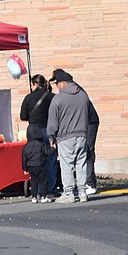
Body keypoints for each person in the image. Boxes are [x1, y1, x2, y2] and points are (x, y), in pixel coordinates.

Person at [45, 69, 92, 203]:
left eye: (57, 84)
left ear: (63, 83)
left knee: (67, 165)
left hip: (65, 136)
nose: (57, 87)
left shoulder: (58, 99)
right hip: (82, 135)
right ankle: (83, 192)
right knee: (81, 164)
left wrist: (51, 137)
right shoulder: (83, 96)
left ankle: (69, 193)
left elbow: (53, 122)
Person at [20, 74, 57, 197]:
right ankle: (51, 189)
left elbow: (23, 116)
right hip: (49, 130)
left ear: (34, 84)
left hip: (33, 131)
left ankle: (40, 191)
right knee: (51, 159)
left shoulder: (28, 98)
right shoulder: (52, 97)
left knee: (37, 160)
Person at [22, 137, 53, 203]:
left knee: (33, 182)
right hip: (40, 165)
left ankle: (34, 197)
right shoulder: (41, 144)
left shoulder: (26, 146)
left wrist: (25, 168)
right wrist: (52, 148)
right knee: (43, 181)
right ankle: (44, 197)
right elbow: (47, 153)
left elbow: (24, 158)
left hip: (31, 166)